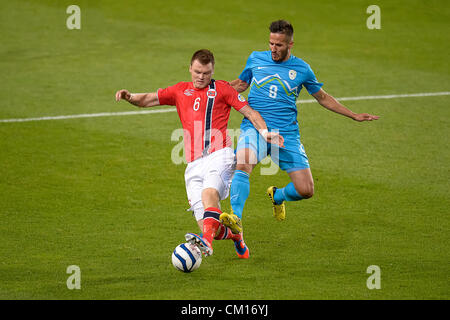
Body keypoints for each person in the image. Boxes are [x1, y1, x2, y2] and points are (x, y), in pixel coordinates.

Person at [115, 49, 283, 259]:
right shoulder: (180, 90)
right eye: (197, 72)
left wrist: (265, 133)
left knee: (208, 195)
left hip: (219, 155)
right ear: (190, 69)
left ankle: (206, 243)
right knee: (207, 223)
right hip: (193, 164)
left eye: (206, 73)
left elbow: (250, 112)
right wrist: (129, 96)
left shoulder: (223, 89)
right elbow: (148, 99)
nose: (201, 77)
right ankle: (236, 237)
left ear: (212, 71)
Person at [219, 20, 379, 234]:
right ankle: (236, 217)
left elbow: (322, 97)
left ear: (290, 44)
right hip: (256, 127)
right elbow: (240, 84)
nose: (273, 49)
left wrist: (353, 115)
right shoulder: (256, 58)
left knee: (306, 190)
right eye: (271, 44)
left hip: (287, 133)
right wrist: (212, 89)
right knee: (243, 162)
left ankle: (277, 196)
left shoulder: (302, 69)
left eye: (279, 45)